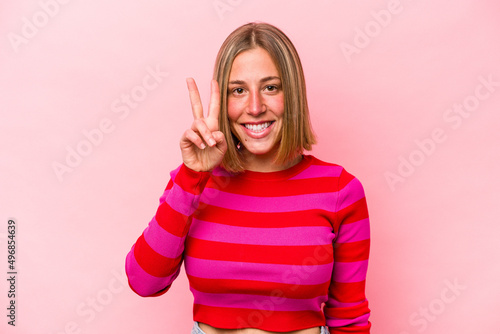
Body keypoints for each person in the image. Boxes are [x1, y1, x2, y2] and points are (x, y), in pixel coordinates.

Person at [125, 22, 371, 334]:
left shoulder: (340, 190)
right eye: (238, 91)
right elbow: (144, 281)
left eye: (271, 87)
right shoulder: (194, 181)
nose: (254, 108)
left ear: (292, 94)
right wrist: (192, 176)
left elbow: (349, 318)